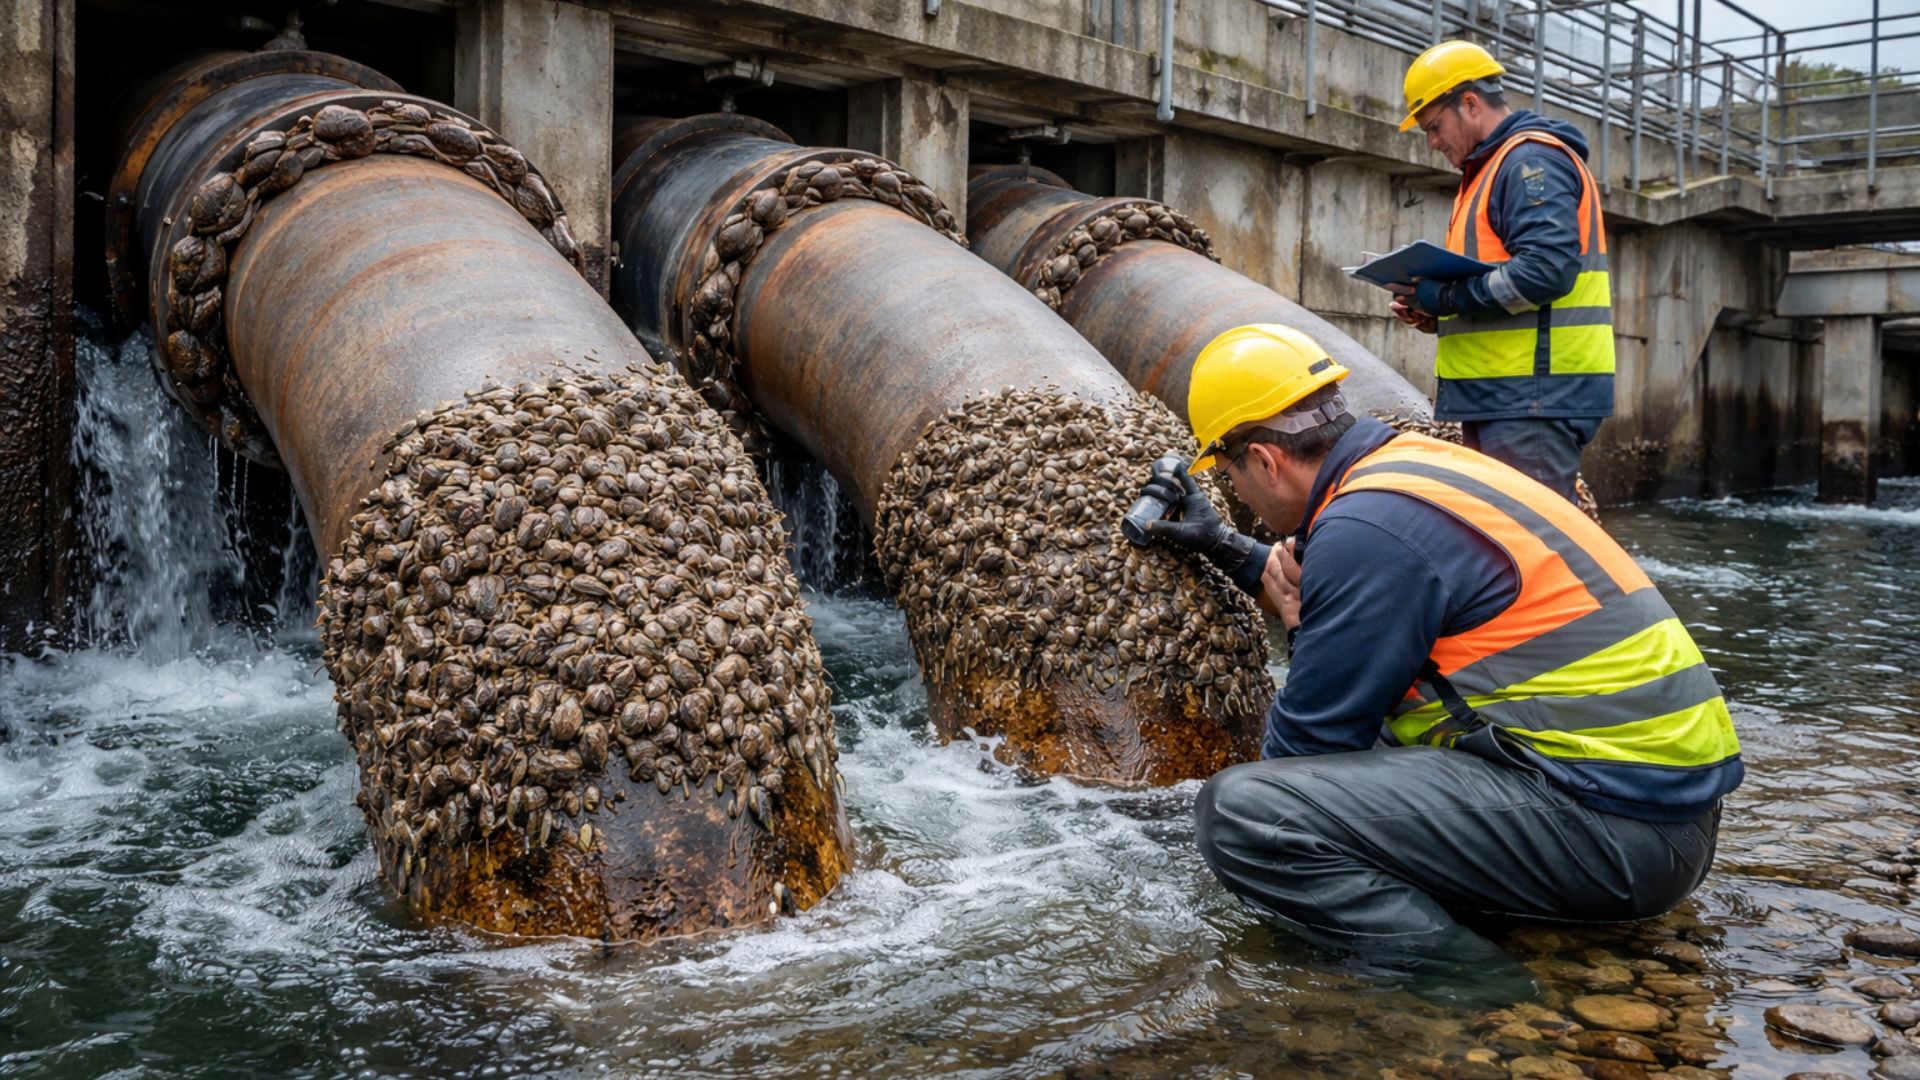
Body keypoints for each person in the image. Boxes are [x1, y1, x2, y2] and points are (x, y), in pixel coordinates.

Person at [1137, 323, 1741, 978]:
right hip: (1652, 813)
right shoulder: (1406, 477)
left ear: (1264, 460)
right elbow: (1367, 609)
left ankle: (1475, 996)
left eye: (1227, 472)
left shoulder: (1367, 527)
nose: (1235, 491)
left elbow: (1303, 757)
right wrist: (1223, 546)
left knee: (1244, 815)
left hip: (1622, 842)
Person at [1386, 40, 1615, 504]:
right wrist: (1435, 312)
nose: (1432, 142)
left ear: (1469, 103)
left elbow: (1546, 270)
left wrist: (1447, 300)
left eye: (1435, 126)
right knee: (1508, 548)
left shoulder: (1530, 162)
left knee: (1528, 550)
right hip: (1507, 399)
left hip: (1531, 399)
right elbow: (1503, 282)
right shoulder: (1494, 169)